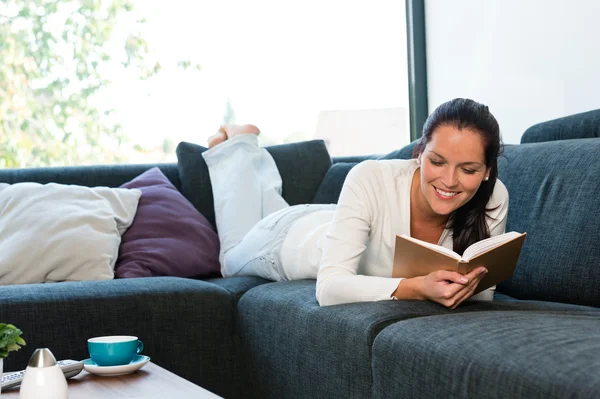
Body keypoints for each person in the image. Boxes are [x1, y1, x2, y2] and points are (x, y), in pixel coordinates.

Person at [202, 98, 508, 309]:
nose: (450, 180)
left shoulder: (493, 198)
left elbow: (482, 295)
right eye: (438, 162)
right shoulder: (371, 176)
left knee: (274, 211)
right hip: (291, 241)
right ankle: (238, 147)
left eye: (468, 170)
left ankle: (246, 153)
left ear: (487, 171)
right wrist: (416, 287)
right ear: (419, 153)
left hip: (337, 222)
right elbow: (330, 287)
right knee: (230, 260)